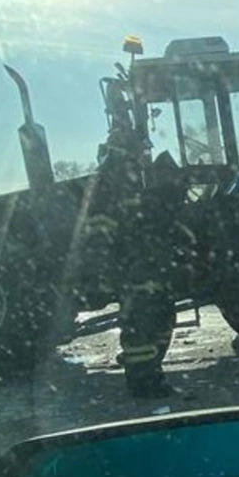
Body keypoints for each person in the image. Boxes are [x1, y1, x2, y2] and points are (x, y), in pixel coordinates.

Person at [92, 119, 178, 398]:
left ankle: (147, 371)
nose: (146, 155)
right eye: (142, 149)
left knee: (160, 315)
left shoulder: (118, 174)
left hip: (139, 265)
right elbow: (130, 223)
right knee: (144, 322)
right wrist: (161, 202)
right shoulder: (120, 175)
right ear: (129, 149)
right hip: (135, 268)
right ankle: (144, 382)